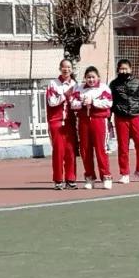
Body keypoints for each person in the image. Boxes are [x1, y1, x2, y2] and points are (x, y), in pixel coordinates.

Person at [70, 66, 114, 190]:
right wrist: (82, 103)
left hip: (99, 121)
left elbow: (109, 102)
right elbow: (72, 103)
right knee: (85, 151)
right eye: (88, 77)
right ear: (85, 78)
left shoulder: (104, 87)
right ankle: (89, 177)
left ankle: (106, 177)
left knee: (101, 150)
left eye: (93, 77)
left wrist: (93, 102)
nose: (91, 79)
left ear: (98, 77)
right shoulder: (79, 88)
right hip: (83, 122)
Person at [110, 58, 139, 183]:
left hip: (136, 116)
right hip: (121, 117)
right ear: (118, 69)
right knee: (123, 146)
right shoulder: (114, 84)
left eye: (125, 68)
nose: (123, 71)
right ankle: (124, 173)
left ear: (130, 69)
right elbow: (111, 102)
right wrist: (108, 119)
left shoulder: (138, 82)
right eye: (121, 68)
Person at [45, 59, 78, 189]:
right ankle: (58, 180)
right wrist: (65, 94)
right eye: (64, 67)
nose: (66, 70)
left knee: (70, 151)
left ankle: (71, 178)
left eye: (69, 67)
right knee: (58, 151)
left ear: (72, 69)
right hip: (56, 121)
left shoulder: (75, 84)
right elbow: (52, 102)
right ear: (60, 68)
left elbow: (76, 102)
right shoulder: (53, 84)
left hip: (69, 122)